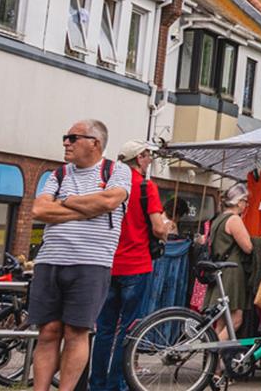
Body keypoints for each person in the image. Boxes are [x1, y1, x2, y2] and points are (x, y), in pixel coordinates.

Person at [30, 118, 132, 391]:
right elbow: (39, 211)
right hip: (50, 260)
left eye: (72, 137)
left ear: (95, 143)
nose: (66, 142)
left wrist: (64, 203)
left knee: (76, 332)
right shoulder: (59, 174)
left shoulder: (117, 171)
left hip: (91, 263)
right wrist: (87, 207)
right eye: (66, 137)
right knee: (48, 331)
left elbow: (110, 201)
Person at [90, 140, 174, 391]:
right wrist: (166, 230)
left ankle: (97, 383)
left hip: (108, 264)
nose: (150, 161)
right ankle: (116, 383)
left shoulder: (108, 186)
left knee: (104, 329)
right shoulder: (146, 187)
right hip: (137, 264)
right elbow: (158, 228)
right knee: (128, 330)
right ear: (139, 158)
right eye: (148, 156)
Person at [206, 183, 256, 337]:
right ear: (239, 201)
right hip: (232, 273)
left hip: (221, 270)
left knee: (222, 320)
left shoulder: (218, 219)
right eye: (245, 201)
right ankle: (216, 353)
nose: (246, 205)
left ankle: (213, 358)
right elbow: (248, 247)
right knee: (235, 319)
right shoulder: (234, 219)